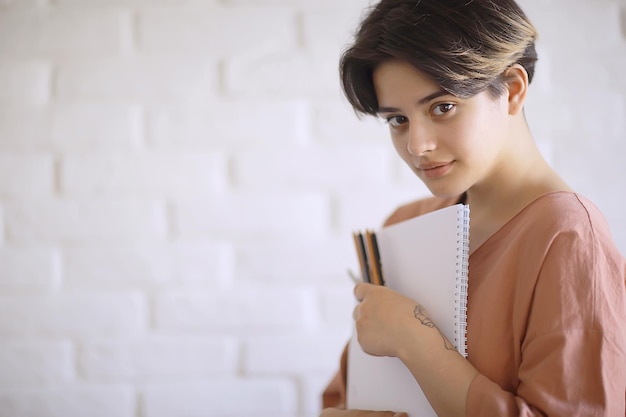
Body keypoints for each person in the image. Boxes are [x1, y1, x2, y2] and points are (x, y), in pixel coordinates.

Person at [320, 0, 626, 416]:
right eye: (398, 120)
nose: (417, 146)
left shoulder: (568, 238)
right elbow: (347, 394)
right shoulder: (408, 224)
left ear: (513, 89)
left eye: (442, 107)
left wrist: (417, 338)